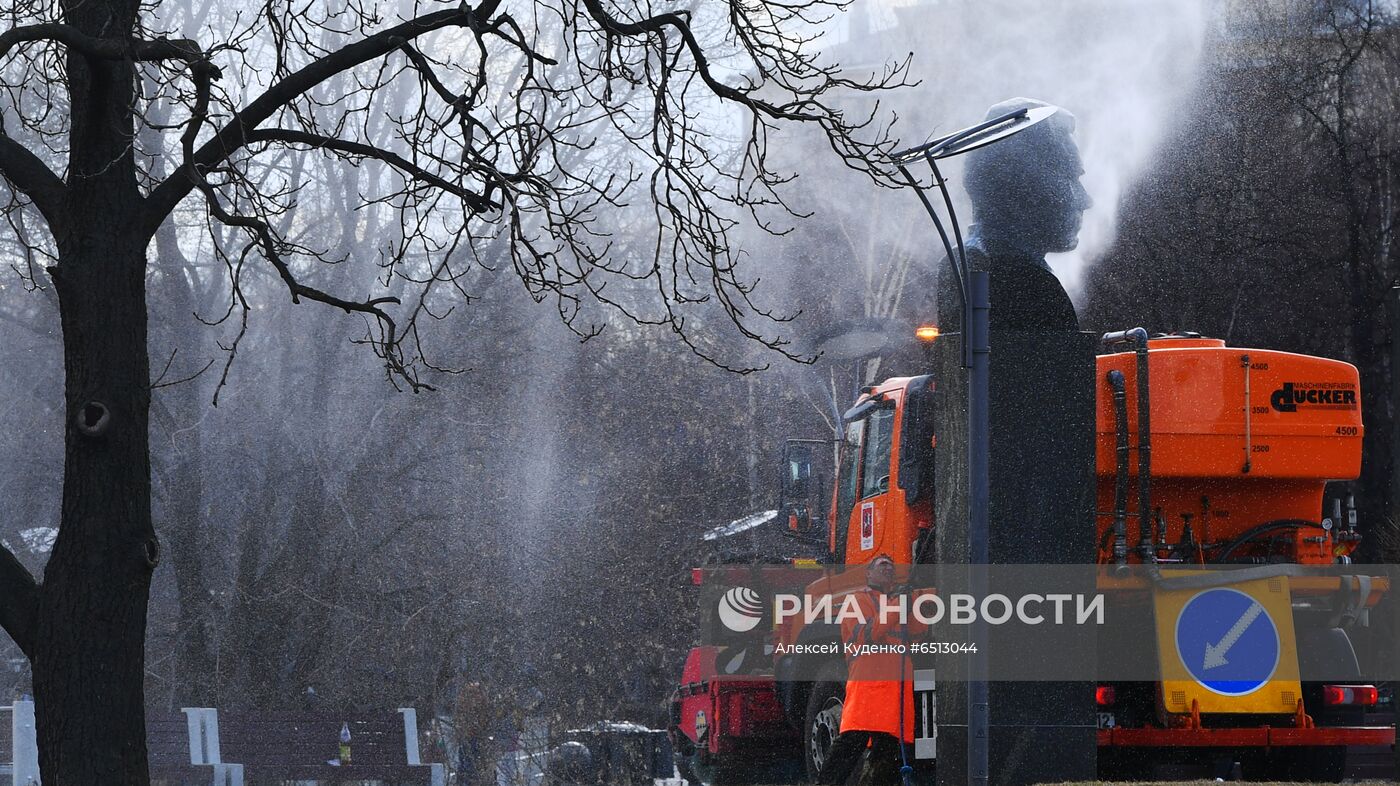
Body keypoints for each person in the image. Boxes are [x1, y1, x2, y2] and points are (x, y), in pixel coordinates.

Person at [934, 97, 1093, 332]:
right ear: (1024, 188)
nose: (1086, 200)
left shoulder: (962, 265)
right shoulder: (1029, 285)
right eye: (1070, 179)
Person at [819, 555, 927, 785]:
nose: (888, 568)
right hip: (869, 686)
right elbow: (867, 633)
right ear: (868, 574)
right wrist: (899, 604)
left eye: (891, 565)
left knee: (887, 754)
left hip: (895, 689)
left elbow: (918, 634)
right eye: (882, 565)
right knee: (851, 741)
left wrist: (914, 602)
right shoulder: (856, 601)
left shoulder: (898, 601)